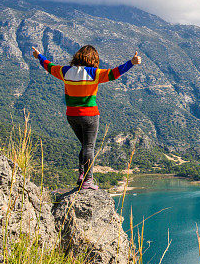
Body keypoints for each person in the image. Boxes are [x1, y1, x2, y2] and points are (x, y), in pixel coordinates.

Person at [32, 45, 141, 190]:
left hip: (71, 115)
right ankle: (88, 181)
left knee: (84, 145)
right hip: (89, 115)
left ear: (77, 56)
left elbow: (49, 66)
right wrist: (131, 63)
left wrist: (39, 56)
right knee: (89, 147)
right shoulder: (94, 73)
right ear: (94, 59)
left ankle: (82, 175)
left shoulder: (65, 71)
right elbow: (114, 73)